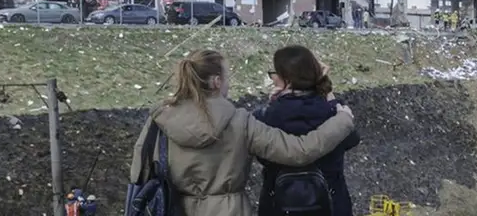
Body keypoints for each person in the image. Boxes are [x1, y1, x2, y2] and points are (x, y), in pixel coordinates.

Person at [130, 50, 355, 216]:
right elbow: (299, 151)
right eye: (227, 77)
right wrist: (342, 120)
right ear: (217, 81)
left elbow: (139, 175)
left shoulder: (159, 119)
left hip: (173, 209)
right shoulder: (240, 122)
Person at [254, 45, 360, 216]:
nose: (273, 78)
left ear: (286, 79)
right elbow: (352, 139)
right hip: (332, 205)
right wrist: (329, 95)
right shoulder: (336, 113)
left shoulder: (267, 116)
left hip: (278, 205)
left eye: (275, 73)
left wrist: (273, 103)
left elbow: (261, 154)